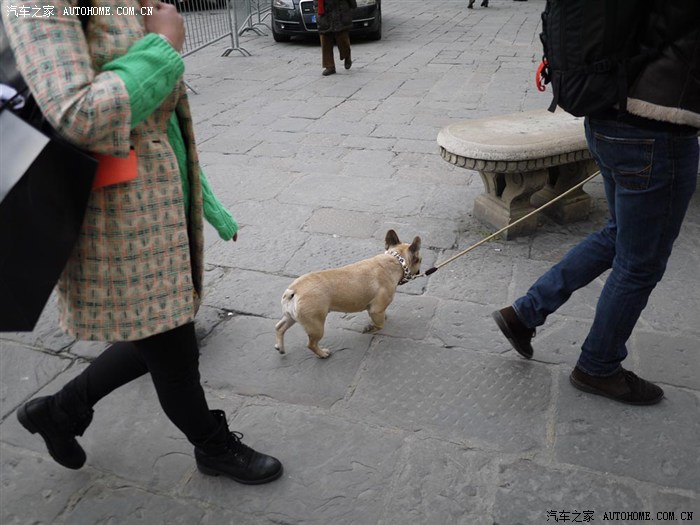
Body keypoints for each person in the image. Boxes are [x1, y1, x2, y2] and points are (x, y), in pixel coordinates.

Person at [2, 0, 283, 483]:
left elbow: (161, 125)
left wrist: (206, 204)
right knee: (175, 351)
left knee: (157, 331)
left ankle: (60, 411)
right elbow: (77, 115)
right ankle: (213, 446)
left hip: (160, 214)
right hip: (114, 221)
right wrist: (163, 45)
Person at [493, 0, 699, 406]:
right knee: (640, 263)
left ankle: (525, 312)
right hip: (658, 130)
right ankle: (598, 366)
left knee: (619, 235)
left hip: (607, 115)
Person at [314, 0, 357, 76]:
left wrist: (353, 5)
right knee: (325, 40)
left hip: (340, 11)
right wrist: (317, 7)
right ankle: (329, 66)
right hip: (324, 12)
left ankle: (346, 55)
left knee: (342, 38)